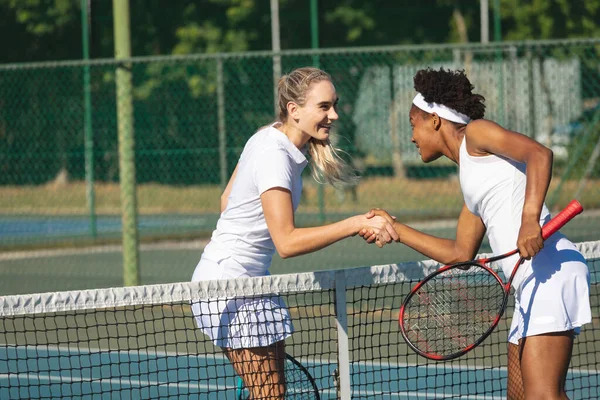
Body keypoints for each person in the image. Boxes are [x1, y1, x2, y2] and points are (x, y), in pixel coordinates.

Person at [363, 68, 591, 400]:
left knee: (543, 396)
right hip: (529, 286)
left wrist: (530, 220)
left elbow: (540, 154)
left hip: (550, 273)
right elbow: (460, 253)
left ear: (436, 121)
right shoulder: (472, 179)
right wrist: (395, 229)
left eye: (414, 125)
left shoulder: (477, 134)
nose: (412, 137)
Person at [191, 66, 398, 399]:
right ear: (294, 110)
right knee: (271, 396)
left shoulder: (271, 137)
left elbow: (227, 199)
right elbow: (285, 243)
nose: (334, 114)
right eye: (324, 107)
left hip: (251, 281)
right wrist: (355, 223)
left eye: (334, 105)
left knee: (273, 395)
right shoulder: (273, 154)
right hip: (226, 287)